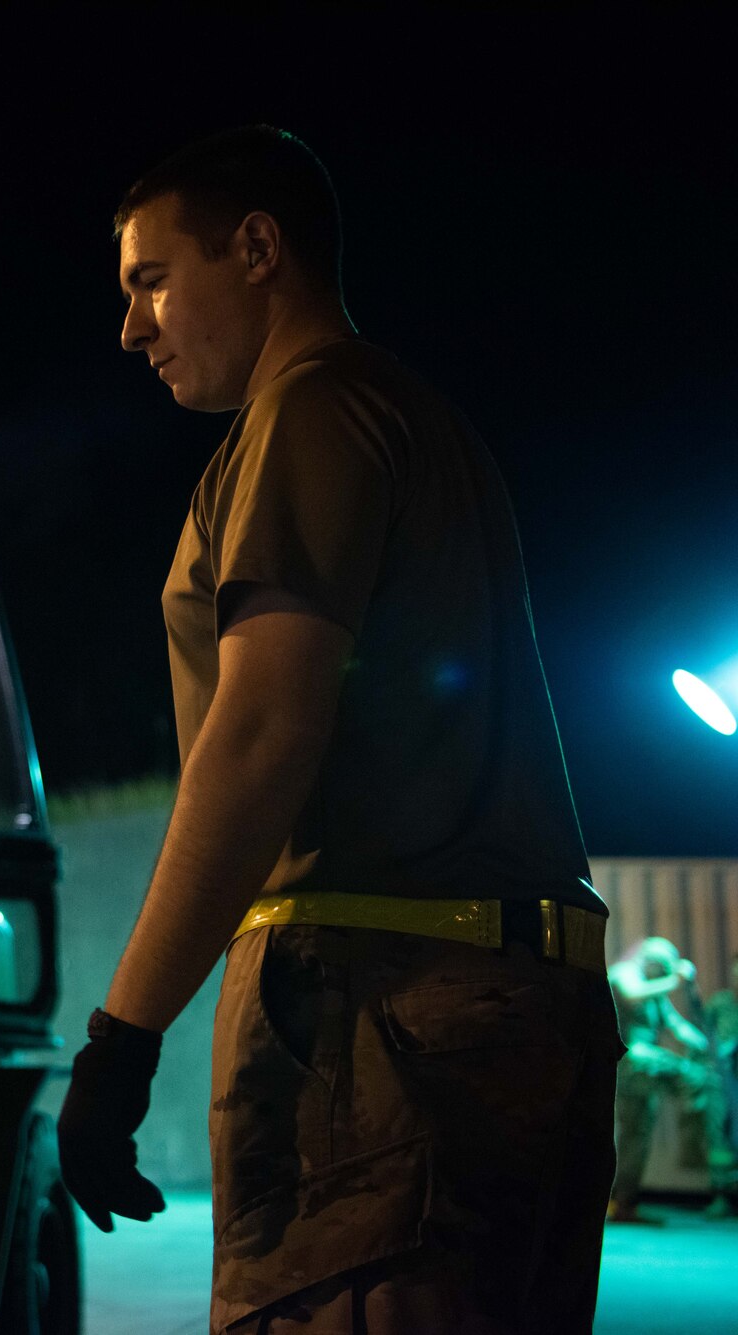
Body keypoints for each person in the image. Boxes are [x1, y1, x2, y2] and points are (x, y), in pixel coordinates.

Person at [54, 126, 624, 1332]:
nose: (130, 328)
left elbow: (259, 731)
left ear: (256, 248)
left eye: (150, 280)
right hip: (522, 1012)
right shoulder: (415, 421)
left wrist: (119, 1040)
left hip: (375, 1019)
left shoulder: (305, 411)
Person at [608, 937, 733, 1221]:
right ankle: (694, 1145)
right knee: (695, 1079)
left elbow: (676, 1026)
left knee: (636, 1140)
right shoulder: (626, 973)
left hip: (641, 1070)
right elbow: (633, 994)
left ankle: (625, 1204)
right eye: (662, 971)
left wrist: (708, 1046)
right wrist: (674, 980)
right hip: (630, 1061)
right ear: (651, 962)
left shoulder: (657, 991)